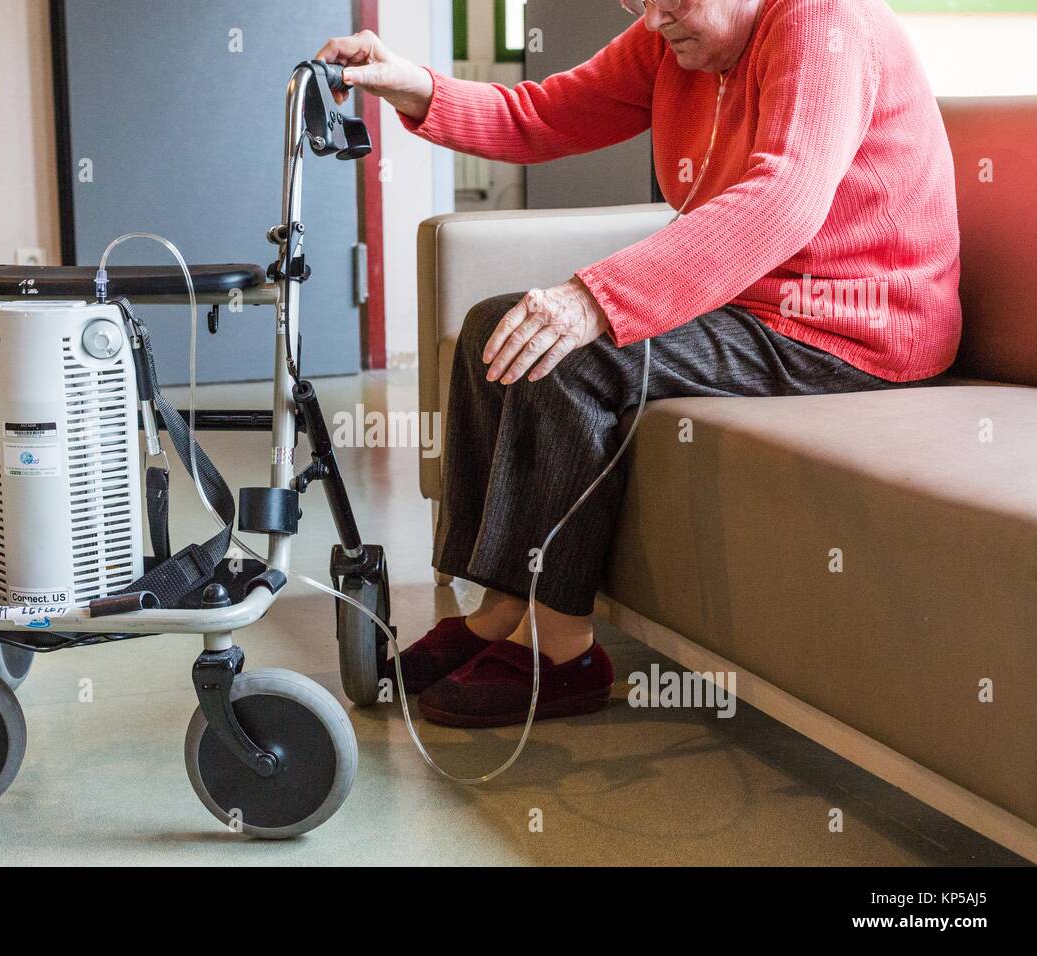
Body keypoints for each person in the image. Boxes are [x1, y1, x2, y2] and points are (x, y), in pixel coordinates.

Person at [316, 0, 960, 728]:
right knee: (494, 328)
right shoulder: (672, 39)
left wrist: (597, 298)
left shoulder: (823, 22)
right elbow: (541, 115)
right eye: (636, 1)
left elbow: (786, 196)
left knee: (566, 357)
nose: (653, 20)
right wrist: (415, 87)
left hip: (852, 321)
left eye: (670, 0)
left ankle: (563, 650)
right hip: (751, 301)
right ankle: (501, 608)